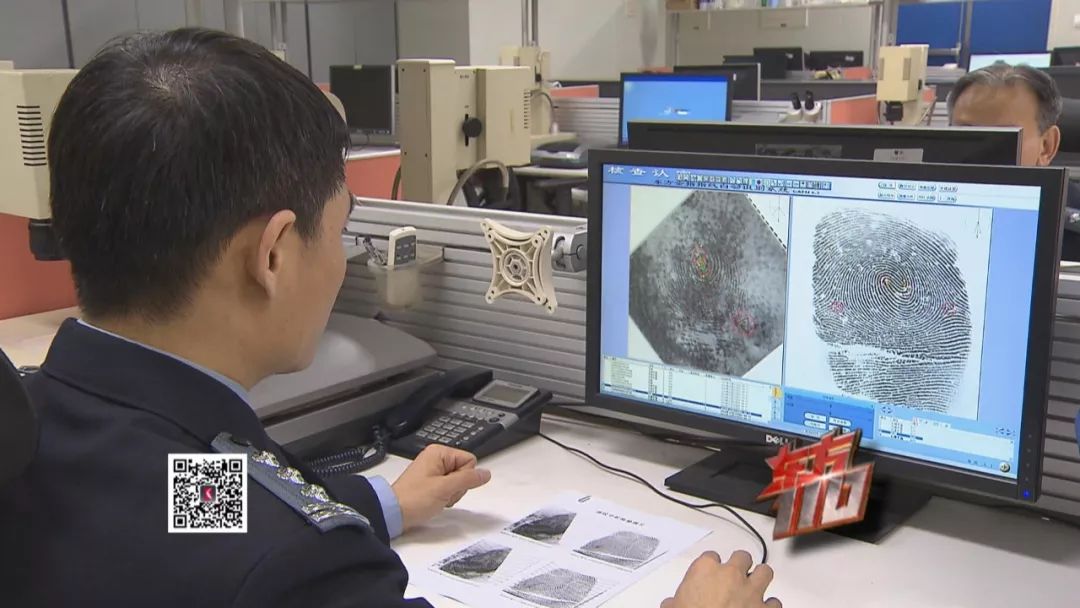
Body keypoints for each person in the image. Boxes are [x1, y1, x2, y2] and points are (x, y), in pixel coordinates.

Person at [0, 29, 780, 608]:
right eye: (340, 231)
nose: (342, 263)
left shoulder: (46, 428)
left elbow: (187, 505)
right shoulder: (300, 573)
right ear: (272, 256)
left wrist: (381, 504)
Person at [948, 62, 1080, 261]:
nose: (980, 154)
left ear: (1046, 147)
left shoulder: (1070, 236)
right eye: (967, 136)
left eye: (1003, 139)